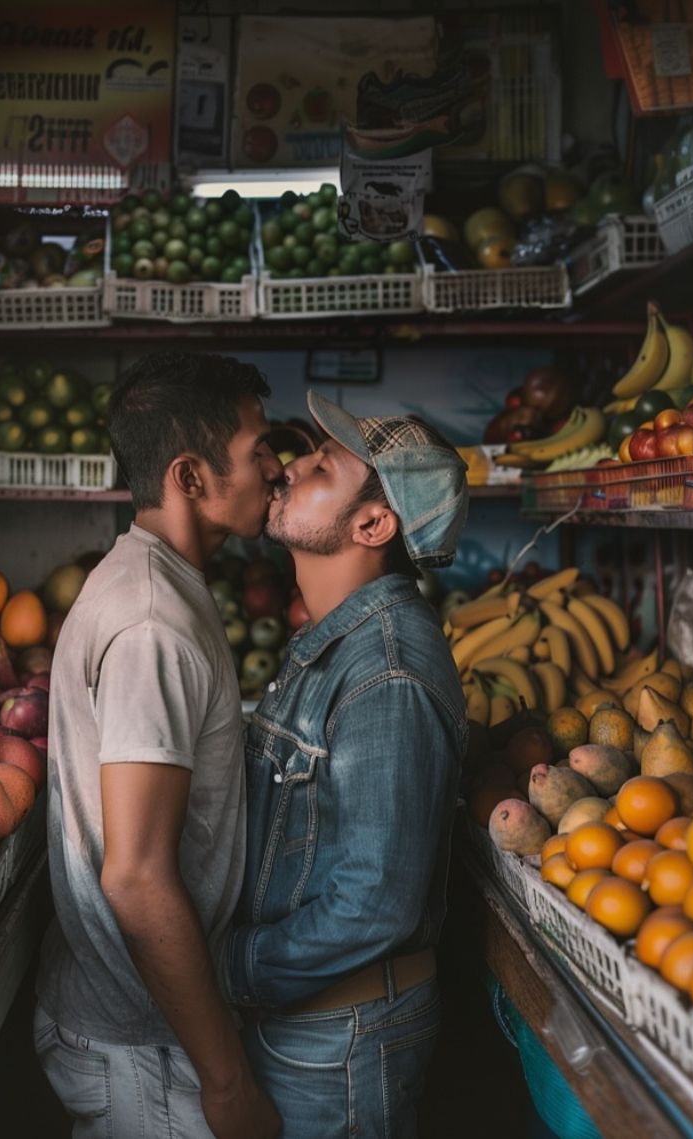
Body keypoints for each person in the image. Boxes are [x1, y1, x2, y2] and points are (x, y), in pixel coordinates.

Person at [34, 352, 283, 1139]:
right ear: (190, 475)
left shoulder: (163, 581)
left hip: (145, 1026)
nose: (277, 468)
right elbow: (137, 877)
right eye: (257, 450)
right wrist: (227, 1075)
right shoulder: (152, 625)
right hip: (144, 1048)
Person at [220, 391, 469, 1138]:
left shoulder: (385, 670)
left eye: (322, 465)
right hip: (311, 1024)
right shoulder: (333, 643)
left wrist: (229, 965)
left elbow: (374, 902)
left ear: (371, 523)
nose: (291, 466)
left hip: (340, 1042)